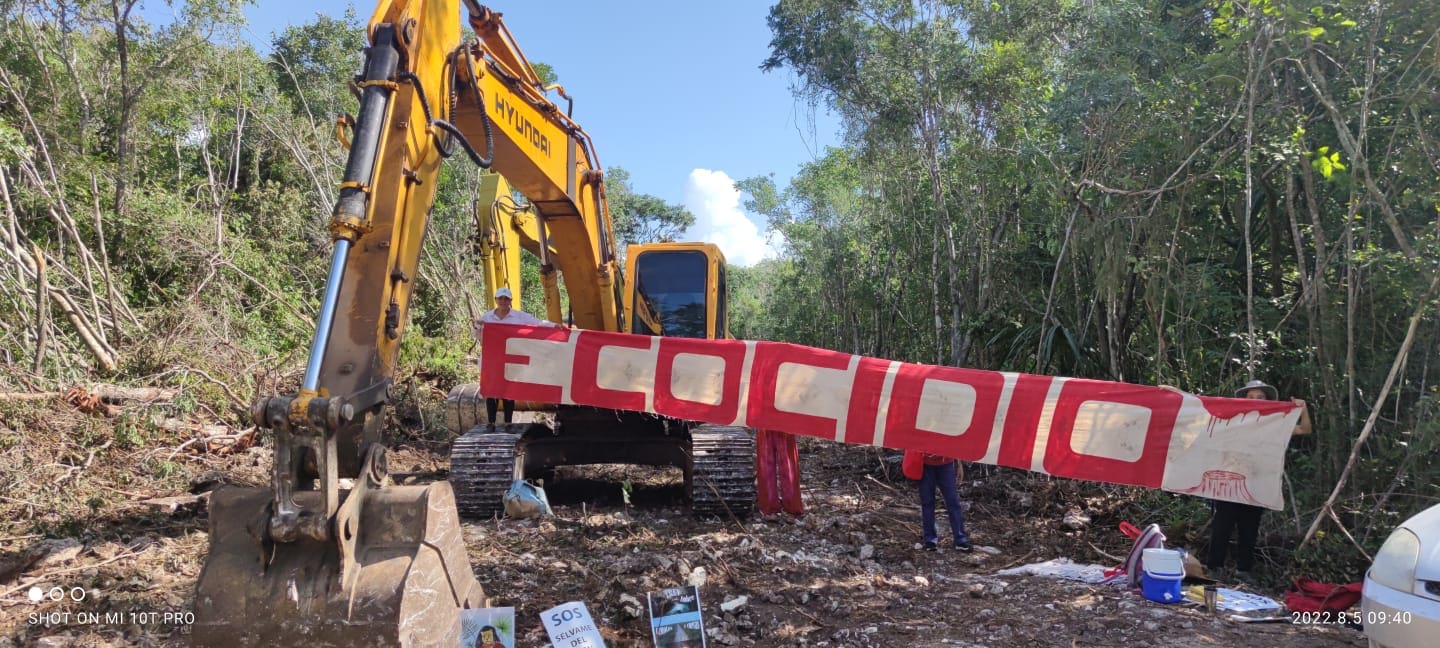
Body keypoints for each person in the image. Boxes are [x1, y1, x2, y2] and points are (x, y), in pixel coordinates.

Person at [1206, 378, 1312, 585]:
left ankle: (1243, 570)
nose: (1255, 400)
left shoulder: (1275, 423)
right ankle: (1214, 567)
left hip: (1257, 482)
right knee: (1222, 526)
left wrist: (1303, 408)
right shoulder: (1234, 419)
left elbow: (1304, 429)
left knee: (1249, 528)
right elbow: (1203, 415)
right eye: (1251, 396)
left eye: (1260, 397)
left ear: (1267, 400)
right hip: (1230, 480)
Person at [472, 286, 558, 427]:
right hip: (492, 360)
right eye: (501, 298)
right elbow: (477, 335)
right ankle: (491, 422)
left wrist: (554, 326)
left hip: (511, 360)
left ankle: (508, 423)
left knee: (508, 391)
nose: (503, 301)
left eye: (506, 299)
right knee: (491, 391)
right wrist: (477, 326)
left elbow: (537, 323)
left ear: (510, 301)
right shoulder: (487, 317)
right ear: (496, 300)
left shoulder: (518, 317)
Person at [918, 452, 971, 552]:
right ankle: (930, 540)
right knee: (927, 503)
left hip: (946, 463)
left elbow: (955, 441)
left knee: (953, 502)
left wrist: (959, 463)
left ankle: (960, 540)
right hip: (924, 463)